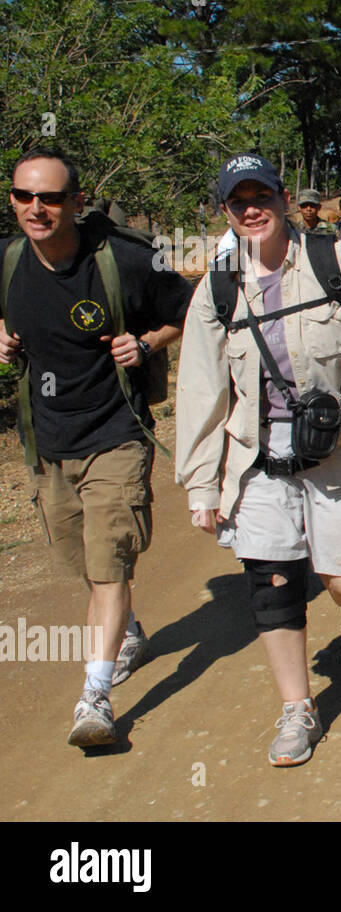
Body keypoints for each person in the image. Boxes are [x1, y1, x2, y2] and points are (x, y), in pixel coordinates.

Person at [175, 153, 341, 767]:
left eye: (261, 196)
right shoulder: (218, 285)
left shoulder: (334, 261)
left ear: (284, 198)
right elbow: (202, 388)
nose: (251, 209)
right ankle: (296, 708)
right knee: (273, 583)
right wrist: (203, 485)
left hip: (339, 450)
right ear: (225, 211)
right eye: (238, 202)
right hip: (256, 458)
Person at [0, 148, 193, 747]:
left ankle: (95, 697)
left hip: (117, 434)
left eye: (51, 197)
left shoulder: (125, 260)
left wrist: (147, 341)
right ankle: (127, 628)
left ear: (76, 203)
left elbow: (187, 308)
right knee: (84, 564)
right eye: (24, 196)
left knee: (109, 565)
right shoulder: (6, 261)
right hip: (49, 443)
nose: (37, 208)